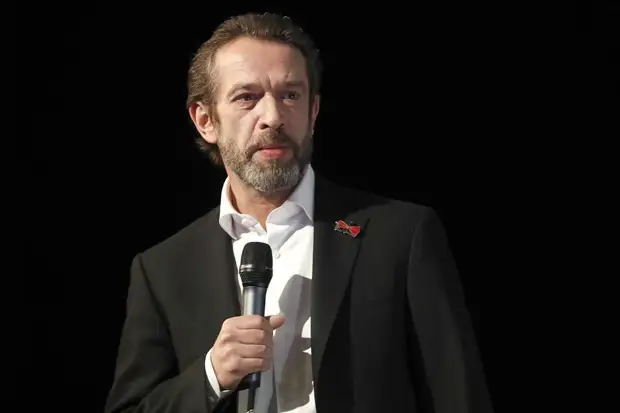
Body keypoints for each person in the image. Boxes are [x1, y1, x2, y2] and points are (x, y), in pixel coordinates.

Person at [104, 12, 493, 413]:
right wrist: (211, 376)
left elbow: (459, 397)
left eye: (290, 95)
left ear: (313, 111)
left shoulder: (400, 237)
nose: (273, 117)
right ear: (206, 121)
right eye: (247, 97)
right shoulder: (162, 269)